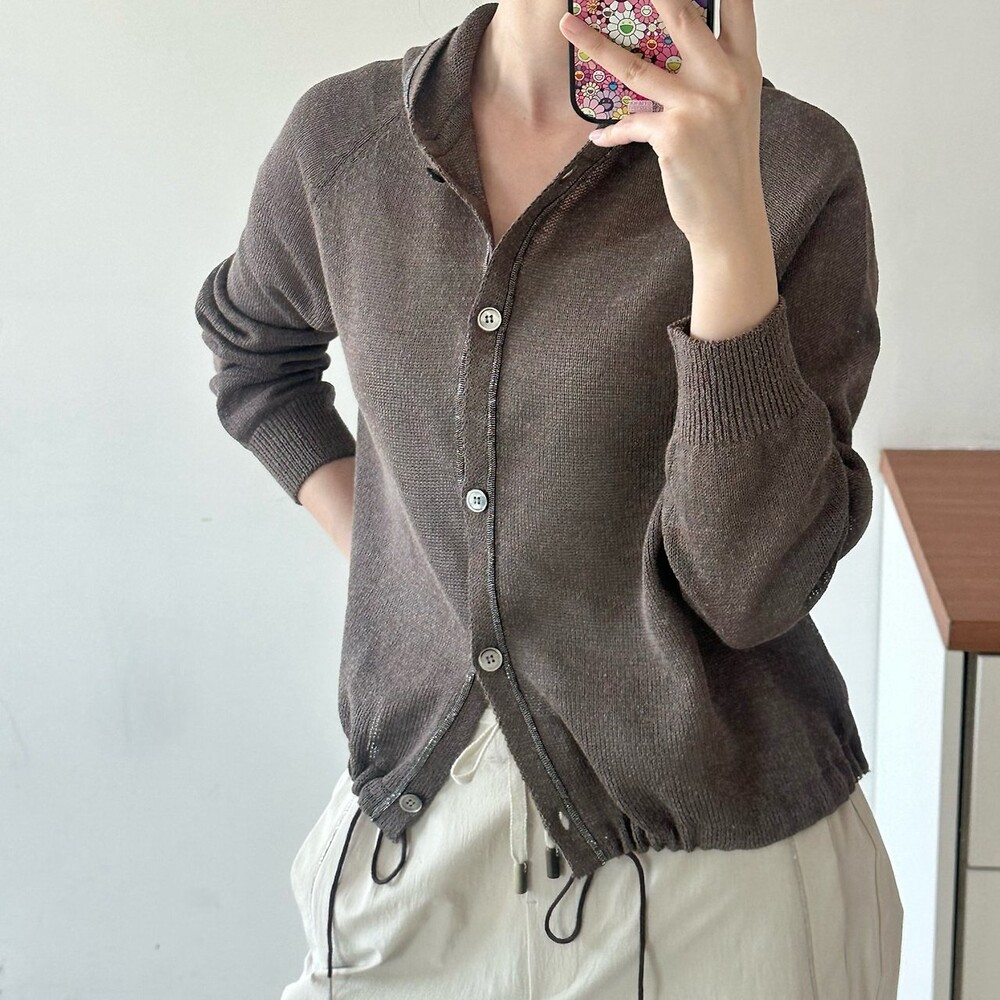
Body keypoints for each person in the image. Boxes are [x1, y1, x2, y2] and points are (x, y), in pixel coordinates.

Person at [194, 1, 904, 997]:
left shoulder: (794, 164)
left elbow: (751, 589)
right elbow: (256, 358)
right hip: (416, 856)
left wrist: (727, 234)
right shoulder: (345, 144)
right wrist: (413, 568)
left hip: (720, 889)